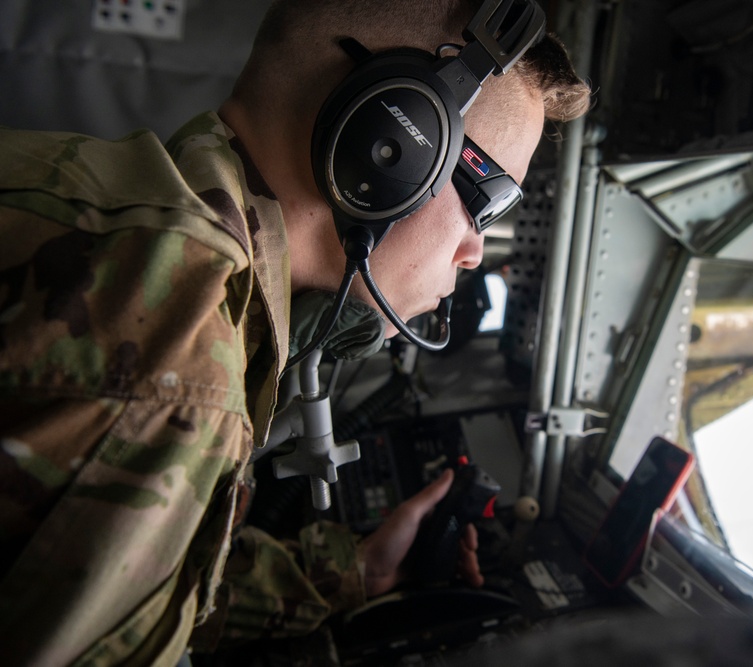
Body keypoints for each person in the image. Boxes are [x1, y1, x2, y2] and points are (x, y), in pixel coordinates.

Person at [0, 0, 591, 664]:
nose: (476, 252)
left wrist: (350, 575)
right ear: (393, 142)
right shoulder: (180, 368)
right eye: (486, 198)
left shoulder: (127, 214)